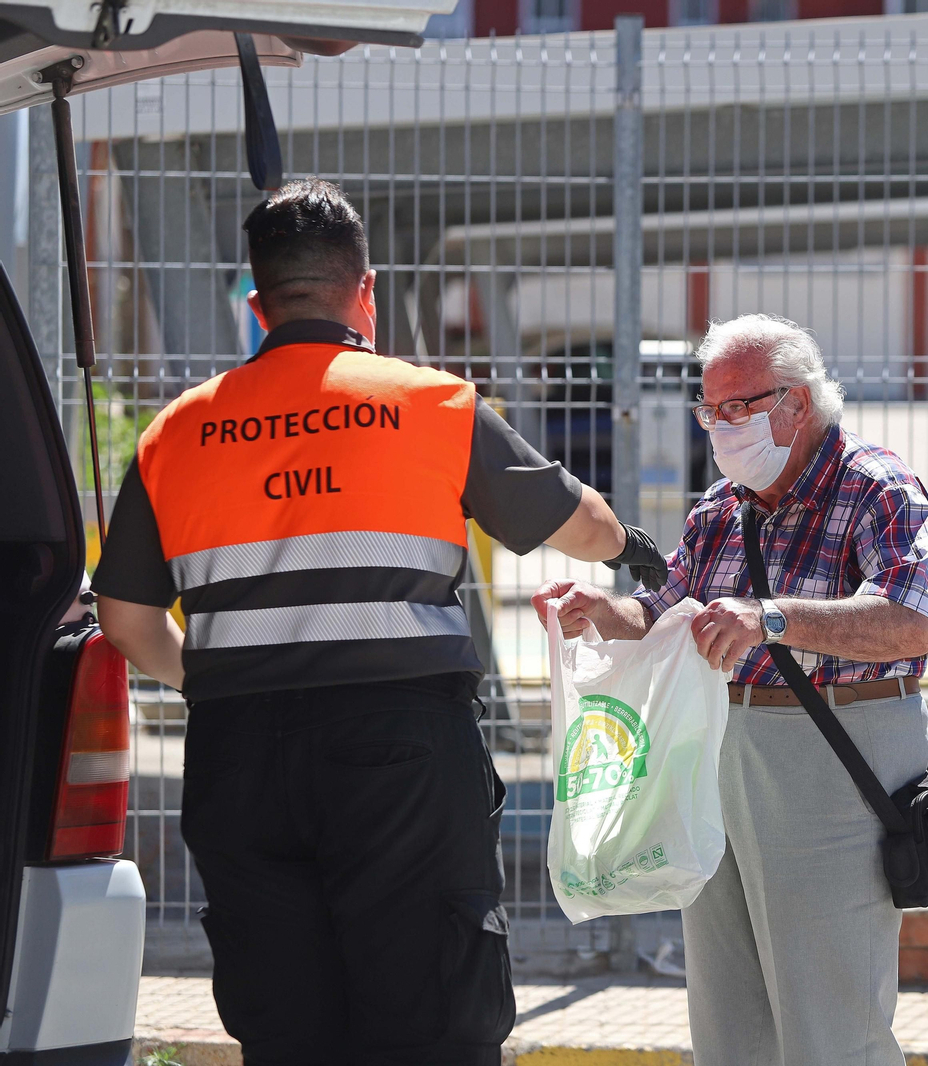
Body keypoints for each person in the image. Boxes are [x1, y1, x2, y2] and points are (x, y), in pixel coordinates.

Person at [92, 178, 667, 1066]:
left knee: (286, 1025)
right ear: (366, 290)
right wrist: (631, 546)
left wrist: (221, 674)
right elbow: (572, 524)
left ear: (257, 304)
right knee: (430, 1017)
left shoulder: (176, 434)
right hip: (399, 749)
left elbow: (126, 622)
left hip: (238, 754)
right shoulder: (428, 404)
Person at [534, 313, 928, 1066]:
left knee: (830, 1025)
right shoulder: (721, 505)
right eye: (708, 409)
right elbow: (664, 611)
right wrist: (599, 612)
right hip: (721, 755)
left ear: (797, 401)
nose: (718, 426)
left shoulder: (876, 487)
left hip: (837, 760)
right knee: (727, 1024)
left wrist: (774, 618)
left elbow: (912, 622)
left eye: (737, 407)